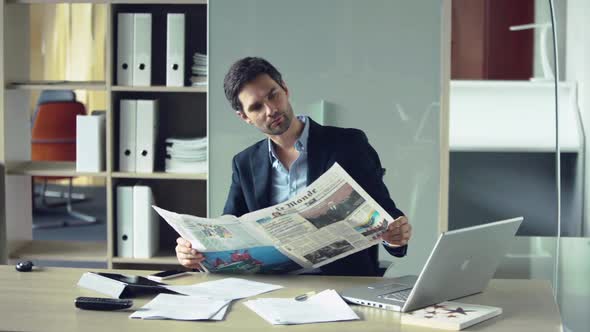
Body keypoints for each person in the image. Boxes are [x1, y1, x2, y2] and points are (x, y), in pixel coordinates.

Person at [176, 57, 412, 276]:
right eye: (256, 107)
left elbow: (386, 214)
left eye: (273, 95)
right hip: (275, 287)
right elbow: (229, 232)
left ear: (285, 90)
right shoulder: (245, 163)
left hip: (342, 283)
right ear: (245, 117)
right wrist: (194, 251)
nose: (271, 110)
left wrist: (394, 236)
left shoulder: (348, 144)